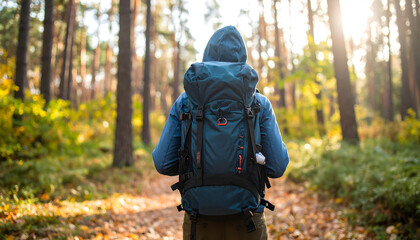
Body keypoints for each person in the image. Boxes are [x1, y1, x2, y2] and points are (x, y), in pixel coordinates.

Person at [153, 26, 289, 240]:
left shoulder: (185, 102)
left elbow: (163, 163)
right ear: (241, 56)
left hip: (200, 221)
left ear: (207, 55)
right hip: (248, 222)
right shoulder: (259, 103)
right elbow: (277, 167)